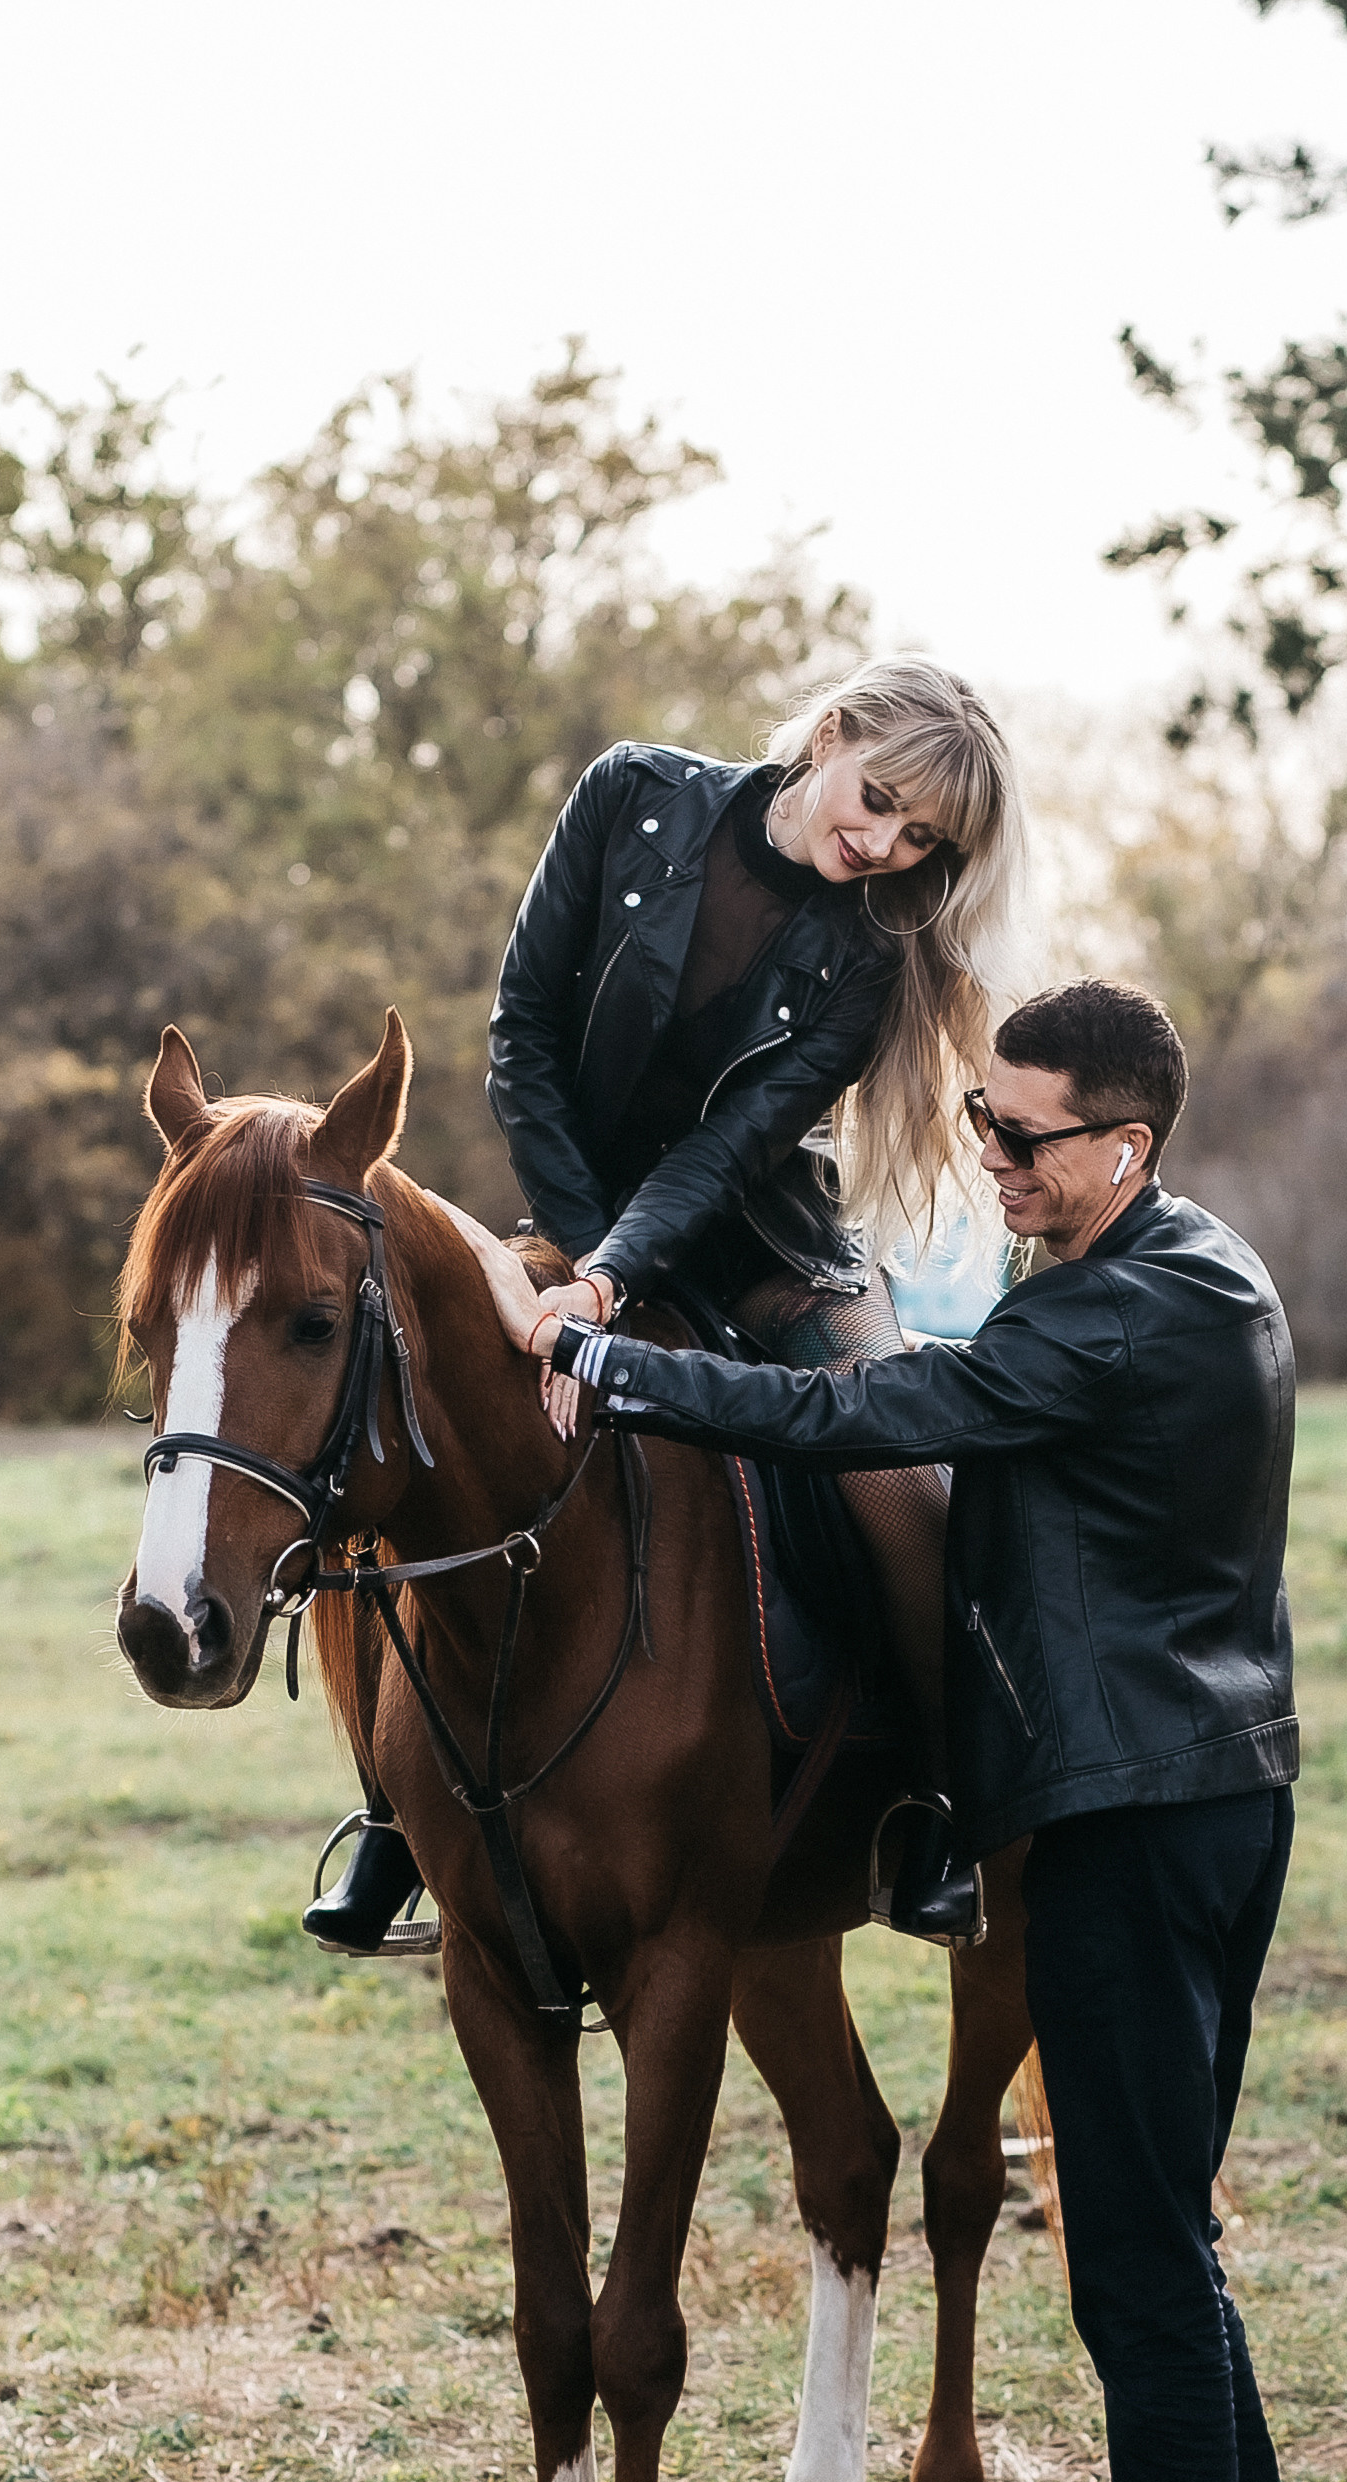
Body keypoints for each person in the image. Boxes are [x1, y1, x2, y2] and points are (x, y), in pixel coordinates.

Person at [451, 978, 1323, 2482]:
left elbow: (888, 1409)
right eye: (979, 1125)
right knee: (1173, 2245)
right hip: (1204, 1801)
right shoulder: (1188, 1266)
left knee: (1139, 2283)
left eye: (1021, 1136)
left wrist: (612, 1363)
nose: (987, 1158)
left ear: (1125, 1147)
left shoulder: (1125, 1311)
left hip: (1127, 1824)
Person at [307, 654, 1029, 1956]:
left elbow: (727, 1152)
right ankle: (394, 1818)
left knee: (903, 1480)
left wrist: (614, 1278)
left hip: (763, 1237)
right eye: (879, 802)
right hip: (572, 1212)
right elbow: (522, 1030)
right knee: (392, 1434)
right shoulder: (630, 793)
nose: (884, 845)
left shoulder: (872, 949)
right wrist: (586, 1263)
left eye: (921, 838)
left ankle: (932, 1802)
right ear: (831, 734)